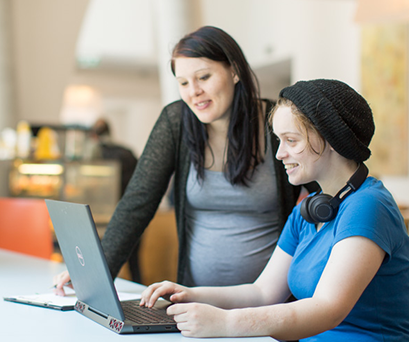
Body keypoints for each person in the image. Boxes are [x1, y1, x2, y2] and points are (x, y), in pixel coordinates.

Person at [139, 79, 409, 342]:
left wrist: (226, 323)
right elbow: (261, 293)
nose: (279, 154)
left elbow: (328, 308)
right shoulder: (307, 211)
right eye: (278, 140)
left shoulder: (368, 206)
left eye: (291, 140)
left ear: (332, 138)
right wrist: (192, 295)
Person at [54, 26, 316, 293]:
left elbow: (324, 187)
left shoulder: (276, 120)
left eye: (203, 77)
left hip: (269, 302)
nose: (194, 92)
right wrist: (96, 273)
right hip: (195, 300)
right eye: (183, 83)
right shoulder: (176, 121)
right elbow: (137, 202)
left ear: (235, 71)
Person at [89, 118, 141, 283]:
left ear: (94, 136)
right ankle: (141, 294)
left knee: (105, 258)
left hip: (109, 214)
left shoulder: (97, 154)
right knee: (134, 261)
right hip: (135, 211)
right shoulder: (127, 152)